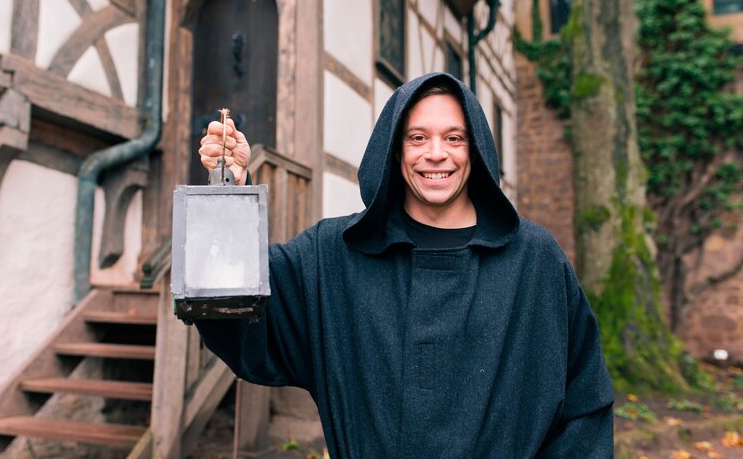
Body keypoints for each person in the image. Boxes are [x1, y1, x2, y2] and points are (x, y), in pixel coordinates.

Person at [196, 72, 614, 458]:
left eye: (454, 138)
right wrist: (229, 195)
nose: (436, 154)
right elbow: (238, 310)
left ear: (476, 150)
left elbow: (584, 403)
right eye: (418, 138)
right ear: (394, 150)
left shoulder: (534, 262)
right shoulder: (333, 256)